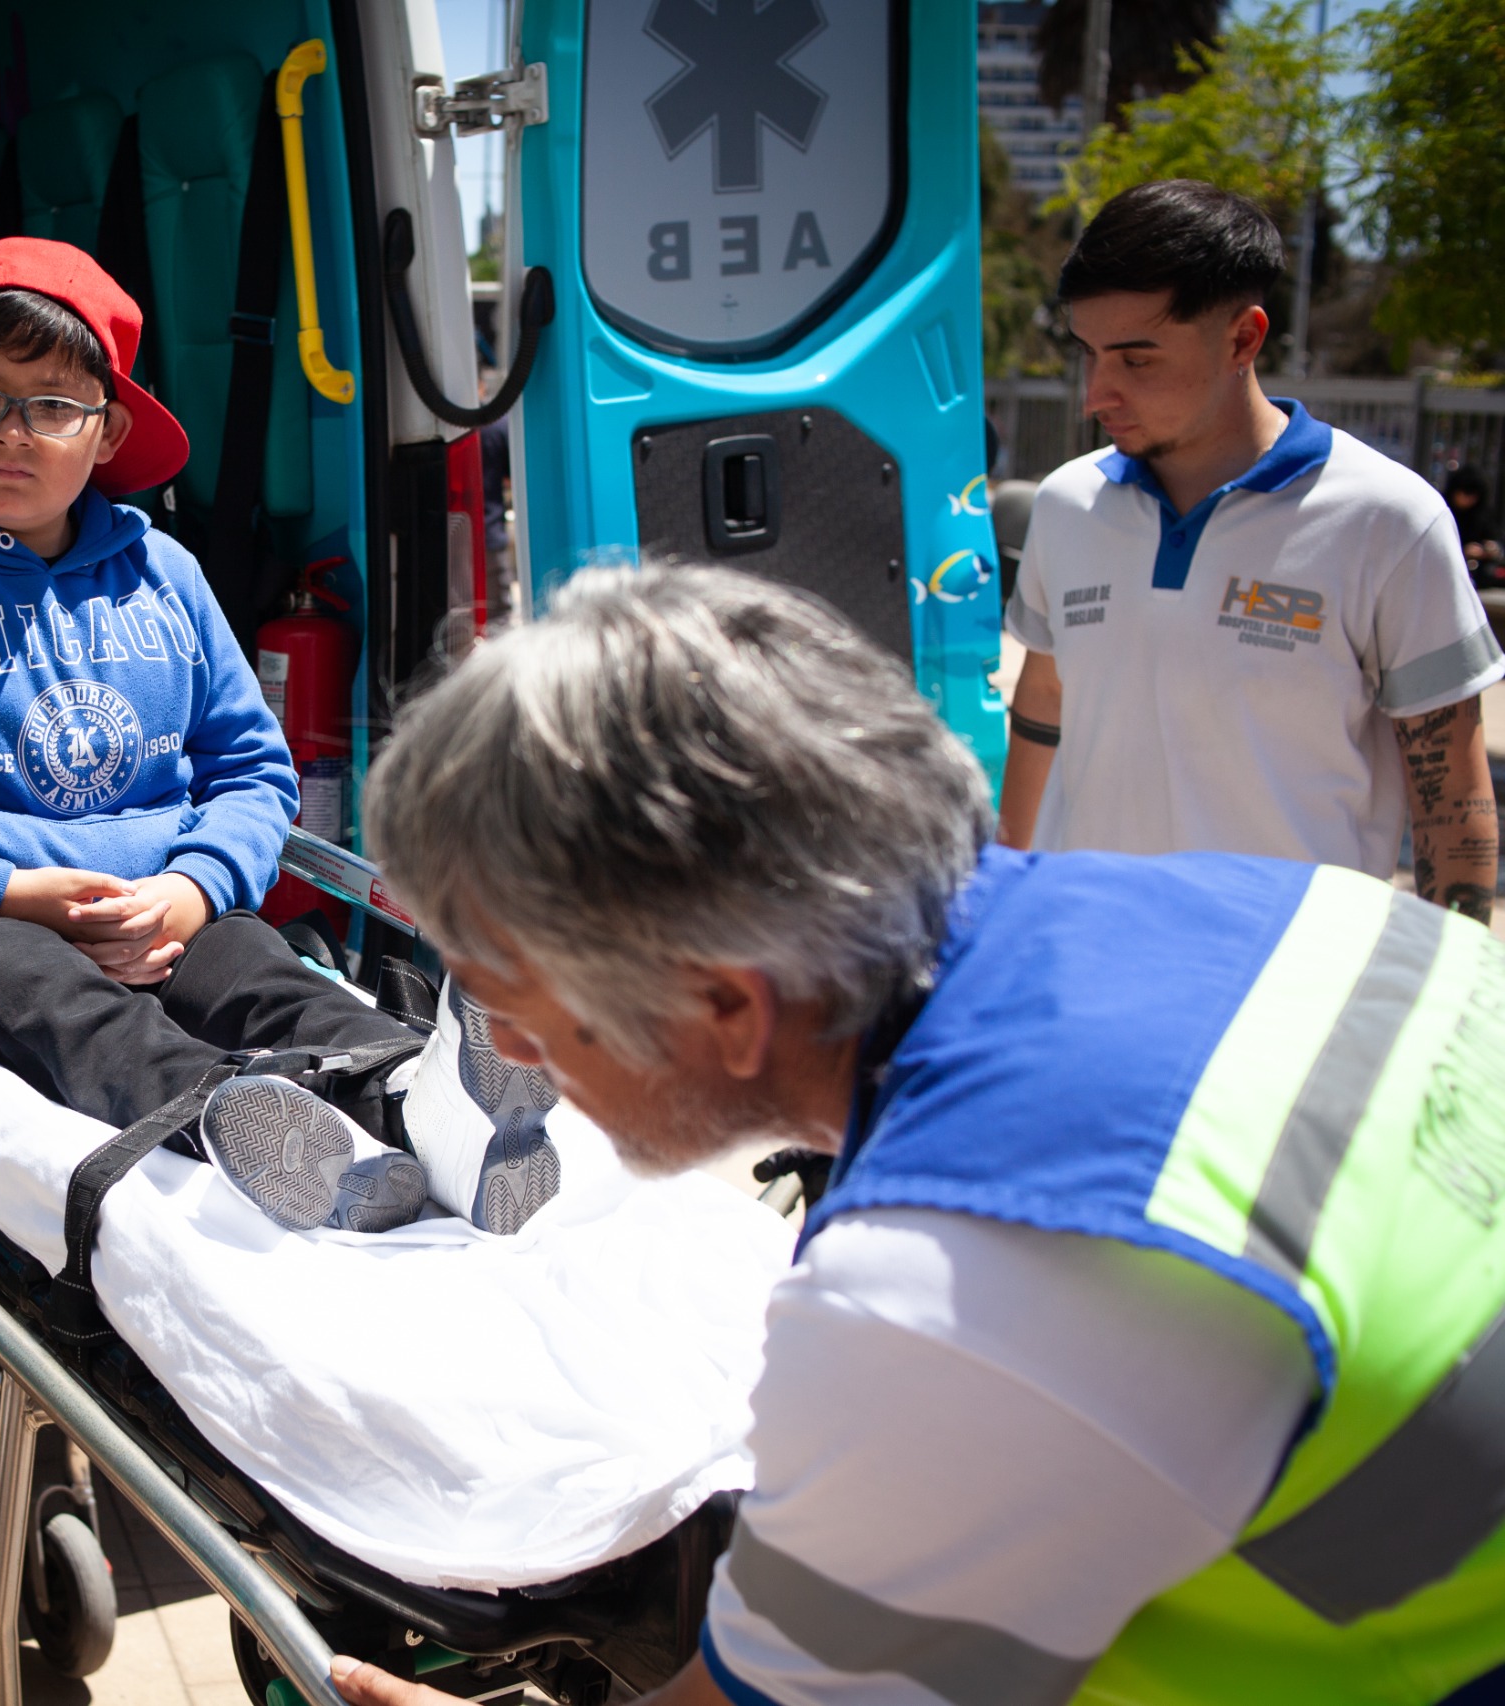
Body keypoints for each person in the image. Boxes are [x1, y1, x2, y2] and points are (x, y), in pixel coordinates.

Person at [331, 565, 1505, 1706]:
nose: (517, 1058)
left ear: (725, 1006)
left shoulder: (945, 1293)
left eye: (521, 1012)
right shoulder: (1289, 902)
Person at [0, 238, 560, 1236]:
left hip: (166, 909)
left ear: (108, 427)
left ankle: (412, 1099)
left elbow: (252, 770)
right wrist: (4, 891)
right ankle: (238, 1123)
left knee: (260, 971)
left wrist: (196, 885)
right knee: (60, 1006)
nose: (12, 431)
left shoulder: (163, 575)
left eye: (52, 404)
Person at [999, 181, 1502, 924]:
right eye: (1090, 356)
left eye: (1137, 361)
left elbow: (1452, 802)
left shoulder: (1388, 520)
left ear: (1244, 338)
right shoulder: (1068, 505)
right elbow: (1044, 700)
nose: (1096, 395)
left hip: (1290, 993)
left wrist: (1459, 999)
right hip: (1092, 962)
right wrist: (1010, 892)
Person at [1445, 465, 1500, 582]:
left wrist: (1490, 548)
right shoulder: (1444, 511)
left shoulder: (1482, 513)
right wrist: (1463, 550)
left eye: (1473, 496)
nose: (1468, 500)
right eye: (1465, 494)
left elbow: (1492, 537)